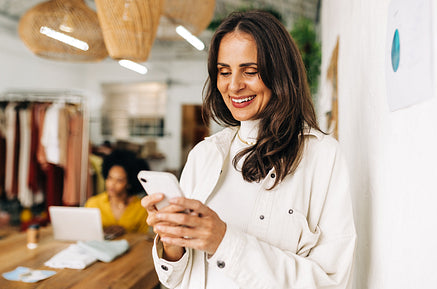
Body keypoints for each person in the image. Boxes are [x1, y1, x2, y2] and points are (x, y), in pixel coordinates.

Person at [141, 10, 356, 289]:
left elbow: (332, 282)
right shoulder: (204, 155)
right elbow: (176, 280)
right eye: (224, 71)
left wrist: (223, 241)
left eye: (250, 71)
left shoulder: (323, 156)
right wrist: (173, 242)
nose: (234, 86)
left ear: (279, 72)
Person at [85, 149, 149, 235]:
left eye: (119, 180)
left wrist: (125, 233)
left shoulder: (141, 208)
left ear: (129, 183)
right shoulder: (93, 203)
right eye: (110, 178)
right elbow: (85, 233)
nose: (112, 184)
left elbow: (145, 238)